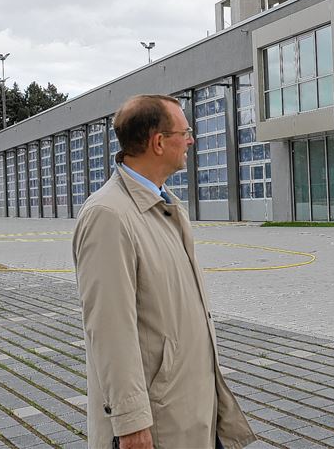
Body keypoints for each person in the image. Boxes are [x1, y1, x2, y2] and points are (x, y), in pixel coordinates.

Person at [73, 95, 256, 449]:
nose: (191, 139)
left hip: (191, 411)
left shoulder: (165, 204)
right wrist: (130, 423)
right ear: (159, 142)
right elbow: (110, 329)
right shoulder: (109, 215)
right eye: (184, 131)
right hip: (157, 426)